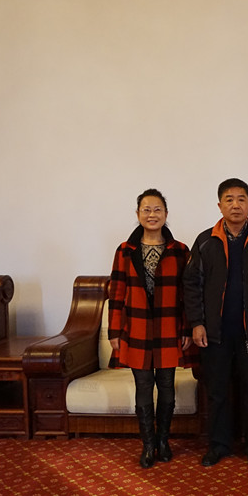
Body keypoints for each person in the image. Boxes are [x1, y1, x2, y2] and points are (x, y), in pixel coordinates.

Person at [183, 178, 248, 468]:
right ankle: (218, 444)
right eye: (229, 200)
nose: (236, 205)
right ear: (220, 205)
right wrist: (196, 323)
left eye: (241, 199)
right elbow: (192, 285)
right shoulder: (205, 240)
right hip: (215, 332)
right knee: (218, 391)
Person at [108, 188, 194, 469]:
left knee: (167, 385)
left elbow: (187, 294)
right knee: (143, 386)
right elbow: (116, 292)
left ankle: (163, 441)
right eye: (146, 209)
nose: (152, 214)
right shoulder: (125, 250)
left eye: (157, 209)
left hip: (169, 326)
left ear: (166, 214)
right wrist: (114, 331)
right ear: (137, 214)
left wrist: (186, 329)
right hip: (137, 328)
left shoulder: (180, 250)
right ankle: (147, 444)